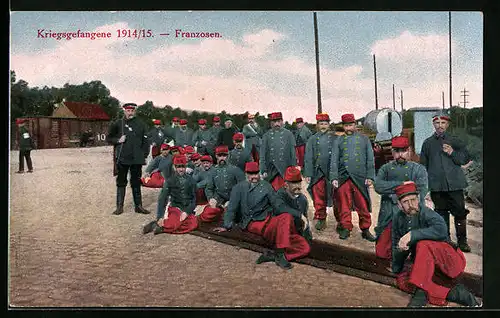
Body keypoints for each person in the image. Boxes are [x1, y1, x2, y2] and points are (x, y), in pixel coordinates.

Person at [390, 182, 480, 307]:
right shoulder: (398, 219)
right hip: (427, 267)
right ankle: (456, 294)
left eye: (413, 200)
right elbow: (396, 246)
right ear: (399, 205)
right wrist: (400, 256)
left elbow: (441, 229)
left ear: (418, 199)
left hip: (449, 261)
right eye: (406, 202)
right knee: (403, 281)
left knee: (423, 244)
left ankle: (420, 294)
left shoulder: (427, 213)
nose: (411, 205)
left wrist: (412, 235)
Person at [213, 162, 311, 270]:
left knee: (304, 246)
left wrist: (300, 215)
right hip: (253, 222)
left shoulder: (266, 186)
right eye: (251, 174)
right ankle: (280, 254)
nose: (254, 177)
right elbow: (231, 209)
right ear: (246, 174)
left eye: (256, 173)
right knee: (285, 221)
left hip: (269, 220)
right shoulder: (238, 188)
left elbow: (278, 206)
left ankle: (274, 255)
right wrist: (226, 225)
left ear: (259, 173)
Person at [419, 112, 472, 252]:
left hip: (455, 184)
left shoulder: (455, 140)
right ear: (433, 124)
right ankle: (445, 240)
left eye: (443, 123)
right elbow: (423, 166)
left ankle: (462, 241)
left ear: (447, 125)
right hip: (437, 185)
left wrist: (452, 152)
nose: (440, 125)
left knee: (460, 212)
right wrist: (426, 187)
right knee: (441, 212)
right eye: (437, 123)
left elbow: (464, 159)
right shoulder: (428, 143)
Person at [373, 136, 428, 259]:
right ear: (392, 152)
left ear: (409, 150)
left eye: (403, 151)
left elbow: (421, 190)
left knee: (418, 254)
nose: (400, 154)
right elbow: (378, 186)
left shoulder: (418, 169)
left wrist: (392, 192)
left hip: (412, 214)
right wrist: (402, 185)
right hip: (389, 215)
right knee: (381, 253)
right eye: (397, 151)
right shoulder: (385, 168)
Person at [330, 113, 376, 241]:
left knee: (362, 205)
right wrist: (334, 177)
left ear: (355, 125)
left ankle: (365, 229)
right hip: (343, 177)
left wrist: (370, 176)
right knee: (344, 204)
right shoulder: (338, 140)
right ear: (343, 126)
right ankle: (346, 227)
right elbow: (334, 160)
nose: (348, 128)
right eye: (346, 125)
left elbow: (370, 159)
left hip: (360, 177)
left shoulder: (364, 139)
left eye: (350, 125)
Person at [106, 103, 151, 215]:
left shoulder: (141, 124)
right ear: (124, 111)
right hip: (123, 158)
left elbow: (146, 141)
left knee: (136, 182)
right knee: (121, 182)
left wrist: (144, 155)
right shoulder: (118, 123)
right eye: (128, 110)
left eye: (132, 110)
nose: (130, 113)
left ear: (135, 111)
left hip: (136, 158)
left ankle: (138, 206)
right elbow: (108, 138)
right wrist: (118, 140)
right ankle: (119, 207)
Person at [143, 155, 198, 235]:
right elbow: (162, 198)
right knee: (175, 223)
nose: (181, 169)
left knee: (193, 224)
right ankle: (159, 224)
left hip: (187, 208)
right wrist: (160, 217)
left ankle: (163, 226)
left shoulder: (191, 180)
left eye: (183, 167)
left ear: (186, 167)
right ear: (174, 167)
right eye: (178, 167)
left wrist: (187, 212)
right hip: (175, 207)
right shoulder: (170, 181)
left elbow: (193, 199)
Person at [304, 113, 337, 231]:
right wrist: (308, 173)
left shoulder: (335, 138)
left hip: (331, 172)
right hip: (318, 173)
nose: (323, 126)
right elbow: (308, 157)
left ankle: (341, 219)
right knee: (318, 197)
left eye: (326, 123)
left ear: (329, 125)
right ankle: (321, 217)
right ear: (317, 125)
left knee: (336, 195)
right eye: (321, 123)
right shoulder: (312, 139)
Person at [199, 145, 246, 223]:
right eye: (219, 155)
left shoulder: (236, 170)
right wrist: (211, 199)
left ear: (228, 156)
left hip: (232, 198)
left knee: (231, 215)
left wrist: (233, 200)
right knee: (207, 214)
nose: (222, 158)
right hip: (219, 199)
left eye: (224, 155)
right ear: (216, 156)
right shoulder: (213, 171)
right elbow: (209, 188)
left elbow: (243, 188)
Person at [260, 112, 297, 191]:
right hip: (271, 169)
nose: (277, 123)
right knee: (272, 192)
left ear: (282, 121)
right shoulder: (266, 135)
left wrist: (294, 167)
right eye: (274, 122)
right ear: (271, 123)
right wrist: (263, 169)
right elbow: (262, 154)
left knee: (286, 191)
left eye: (279, 121)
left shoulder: (289, 134)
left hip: (285, 169)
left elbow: (293, 152)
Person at [275, 166, 313, 242]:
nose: (298, 186)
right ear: (286, 185)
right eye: (294, 183)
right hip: (280, 236)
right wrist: (299, 215)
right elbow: (280, 208)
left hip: (296, 236)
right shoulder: (280, 195)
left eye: (299, 183)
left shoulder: (302, 199)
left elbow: (305, 222)